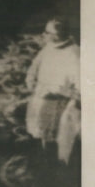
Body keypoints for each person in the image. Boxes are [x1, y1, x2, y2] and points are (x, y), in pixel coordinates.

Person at [24, 18, 80, 149]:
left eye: (47, 32)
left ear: (57, 35)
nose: (43, 34)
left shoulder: (73, 53)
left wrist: (58, 91)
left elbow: (77, 83)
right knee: (38, 133)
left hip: (58, 101)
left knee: (54, 138)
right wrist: (30, 81)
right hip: (40, 96)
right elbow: (34, 66)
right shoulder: (48, 48)